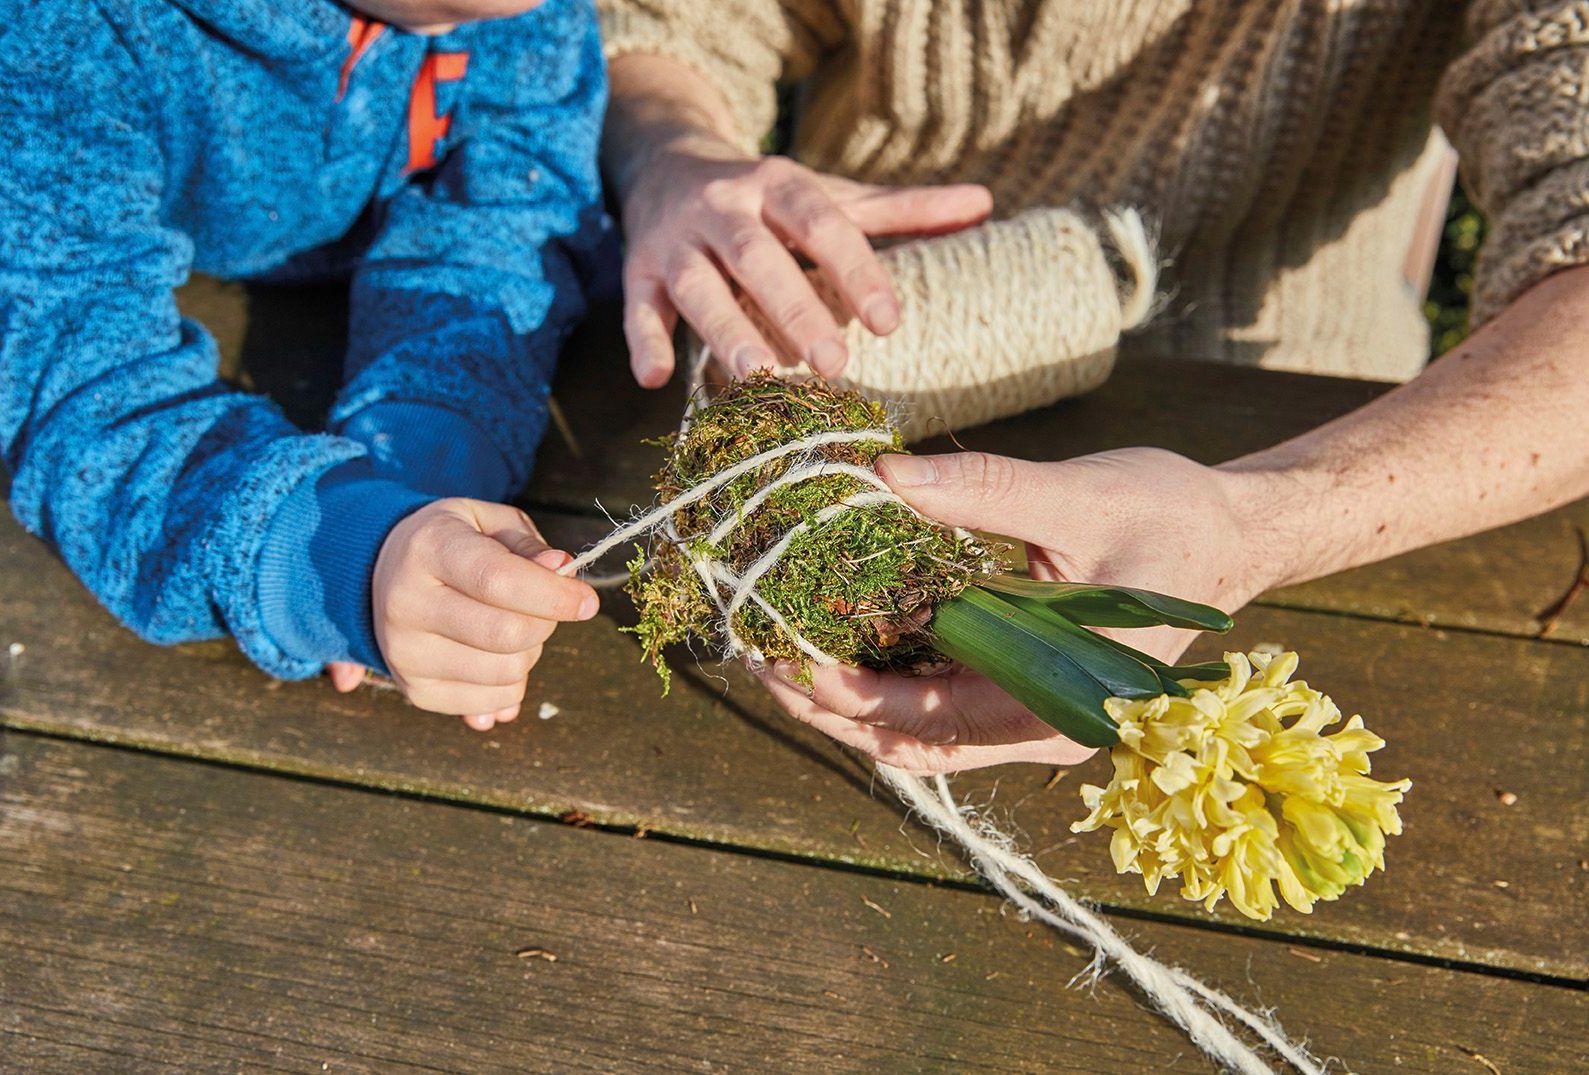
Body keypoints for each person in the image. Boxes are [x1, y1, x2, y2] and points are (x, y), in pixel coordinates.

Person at [597, 2, 1589, 772]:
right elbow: (676, 26)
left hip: (1294, 467)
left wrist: (1252, 523)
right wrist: (674, 149)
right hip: (853, 337)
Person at [0, 0, 610, 731]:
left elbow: (506, 209)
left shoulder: (532, 14)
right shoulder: (47, 27)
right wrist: (332, 553)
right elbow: (92, 391)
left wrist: (422, 462)